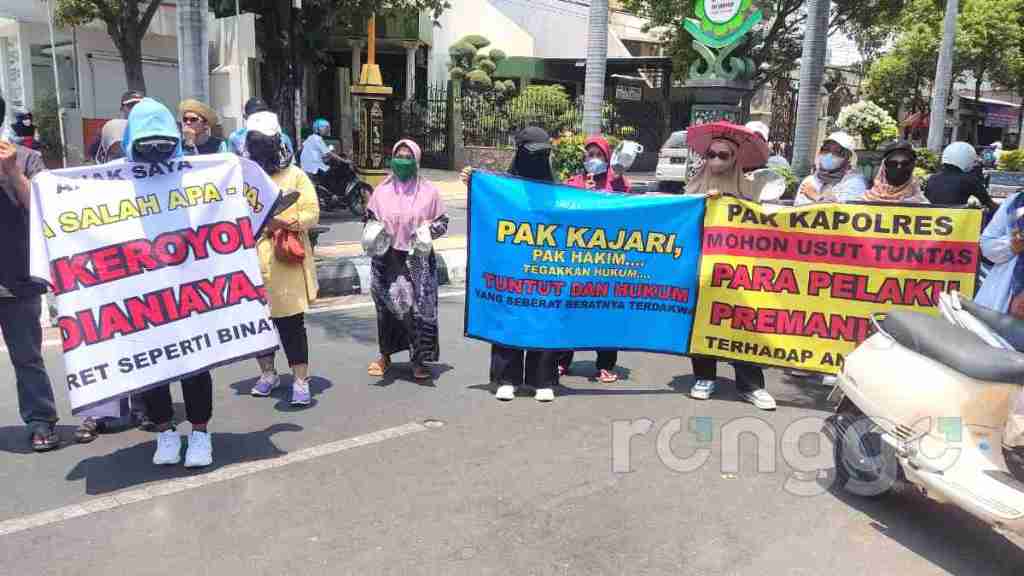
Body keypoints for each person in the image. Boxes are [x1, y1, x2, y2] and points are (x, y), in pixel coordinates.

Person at [124, 98, 217, 467]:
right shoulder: (113, 180)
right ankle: (165, 431)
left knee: (195, 364)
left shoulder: (197, 173)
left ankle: (199, 433)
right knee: (152, 366)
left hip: (187, 284)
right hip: (143, 288)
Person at [461, 126, 561, 402]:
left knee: (545, 315)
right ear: (519, 152)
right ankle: (507, 378)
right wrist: (474, 182)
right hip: (511, 264)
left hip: (546, 264)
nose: (538, 160)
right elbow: (486, 206)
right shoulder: (503, 186)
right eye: (533, 154)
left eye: (544, 155)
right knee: (509, 314)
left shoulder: (556, 189)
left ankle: (543, 379)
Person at [684, 126, 776, 411]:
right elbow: (679, 223)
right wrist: (702, 205)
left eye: (723, 155)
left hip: (738, 274)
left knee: (742, 323)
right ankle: (703, 377)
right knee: (702, 320)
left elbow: (762, 230)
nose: (715, 160)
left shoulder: (749, 193)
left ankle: (751, 385)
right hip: (702, 270)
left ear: (734, 159)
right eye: (710, 154)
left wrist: (738, 206)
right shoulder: (693, 188)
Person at [245, 111, 321, 405]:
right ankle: (268, 374)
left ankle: (300, 380)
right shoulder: (244, 175)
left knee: (291, 324)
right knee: (259, 325)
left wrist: (283, 222)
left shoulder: (295, 175)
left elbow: (311, 213)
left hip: (284, 261)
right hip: (252, 260)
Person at [0, 95, 61, 451]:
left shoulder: (26, 158)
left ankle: (41, 420)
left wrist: (13, 173)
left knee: (27, 356)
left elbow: (44, 210)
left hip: (19, 277)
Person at [366, 139, 449, 381]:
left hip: (418, 258)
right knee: (386, 309)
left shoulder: (429, 191)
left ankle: (419, 359)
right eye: (398, 155)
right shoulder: (381, 191)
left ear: (417, 160)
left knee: (418, 310)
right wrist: (373, 231)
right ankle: (385, 356)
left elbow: (442, 223)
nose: (402, 160)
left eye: (408, 156)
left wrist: (426, 232)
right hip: (386, 256)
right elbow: (369, 217)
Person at [558, 135, 629, 382]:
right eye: (590, 155)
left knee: (605, 313)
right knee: (570, 310)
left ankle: (605, 365)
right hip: (577, 260)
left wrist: (609, 187)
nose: (594, 160)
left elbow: (628, 211)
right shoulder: (573, 182)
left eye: (600, 155)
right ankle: (561, 361)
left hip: (607, 262)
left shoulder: (616, 182)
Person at [794, 131, 866, 206]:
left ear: (848, 158)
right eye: (826, 149)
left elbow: (844, 212)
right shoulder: (810, 181)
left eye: (838, 152)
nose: (830, 155)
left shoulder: (854, 182)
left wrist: (816, 197)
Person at [925, 141, 996, 209]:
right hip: (955, 219)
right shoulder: (969, 180)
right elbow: (988, 203)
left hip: (933, 219)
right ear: (967, 159)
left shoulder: (932, 178)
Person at [864, 140, 928, 204]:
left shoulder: (924, 206)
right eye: (893, 163)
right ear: (884, 167)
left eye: (905, 163)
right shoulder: (863, 201)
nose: (899, 167)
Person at [227, 97, 294, 158]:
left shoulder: (283, 137)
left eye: (262, 113)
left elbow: (289, 164)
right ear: (246, 117)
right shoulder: (236, 137)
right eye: (254, 115)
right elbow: (232, 165)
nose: (259, 117)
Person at [300, 118, 341, 183]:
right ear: (317, 129)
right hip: (313, 168)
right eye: (325, 127)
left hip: (306, 167)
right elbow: (329, 153)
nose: (327, 130)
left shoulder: (311, 137)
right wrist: (343, 160)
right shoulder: (317, 139)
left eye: (327, 128)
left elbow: (305, 149)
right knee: (332, 173)